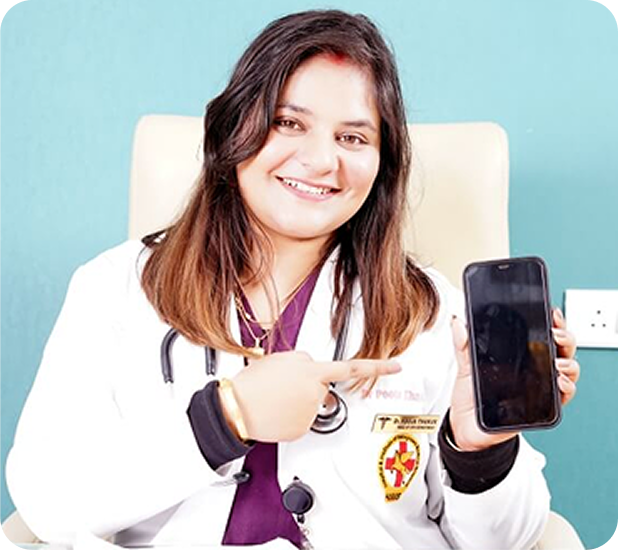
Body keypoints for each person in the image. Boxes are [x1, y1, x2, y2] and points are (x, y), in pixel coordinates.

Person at [6, 9, 579, 550]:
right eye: (288, 123)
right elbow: (46, 499)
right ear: (233, 129)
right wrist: (225, 420)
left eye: (353, 138)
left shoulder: (430, 312)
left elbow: (507, 541)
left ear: (383, 163)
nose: (322, 161)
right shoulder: (115, 288)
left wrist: (477, 447)